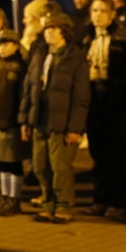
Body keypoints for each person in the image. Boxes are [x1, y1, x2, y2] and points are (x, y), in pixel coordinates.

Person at [19, 13, 90, 224]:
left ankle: (64, 206)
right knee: (41, 166)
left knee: (60, 167)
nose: (48, 32)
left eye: (53, 28)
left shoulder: (76, 58)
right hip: (39, 120)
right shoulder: (40, 54)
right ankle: (48, 205)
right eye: (47, 28)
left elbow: (81, 98)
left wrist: (75, 127)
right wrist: (25, 120)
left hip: (62, 123)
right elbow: (28, 89)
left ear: (64, 32)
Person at [81, 0, 126, 217]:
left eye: (103, 11)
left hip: (119, 105)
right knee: (98, 154)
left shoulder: (123, 40)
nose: (98, 15)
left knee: (116, 156)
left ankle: (117, 201)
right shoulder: (86, 39)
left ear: (112, 14)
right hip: (94, 102)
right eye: (94, 11)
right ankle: (100, 199)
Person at [0, 29, 30, 216]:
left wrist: (22, 121)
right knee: (2, 162)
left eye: (6, 44)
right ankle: (5, 195)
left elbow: (23, 96)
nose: (2, 48)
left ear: (16, 46)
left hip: (13, 123)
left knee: (14, 162)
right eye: (0, 44)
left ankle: (14, 199)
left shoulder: (20, 66)